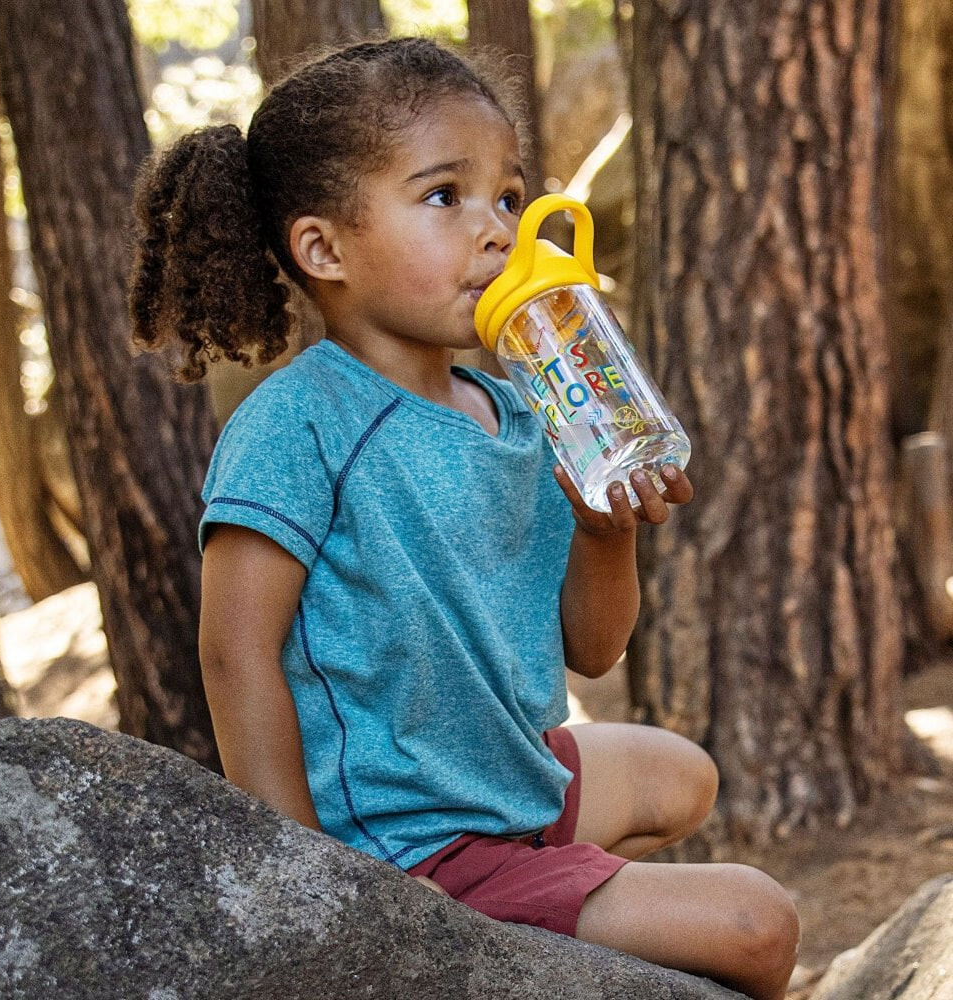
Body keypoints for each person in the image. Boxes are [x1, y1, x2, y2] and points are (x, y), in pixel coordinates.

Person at [129, 37, 799, 1000]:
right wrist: (313, 886)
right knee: (758, 925)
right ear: (324, 248)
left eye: (509, 198)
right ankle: (473, 927)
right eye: (446, 196)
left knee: (678, 773)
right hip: (406, 839)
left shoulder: (524, 411)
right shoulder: (297, 424)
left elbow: (594, 651)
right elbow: (235, 654)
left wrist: (607, 533)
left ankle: (528, 937)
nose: (498, 232)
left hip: (498, 781)